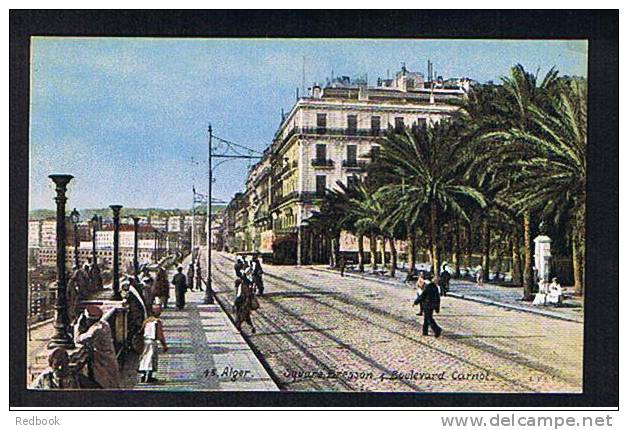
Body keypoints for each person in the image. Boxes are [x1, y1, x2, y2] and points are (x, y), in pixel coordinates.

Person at [74, 305, 121, 388]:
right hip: (108, 358)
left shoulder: (95, 330)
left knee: (104, 385)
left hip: (102, 362)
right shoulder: (104, 324)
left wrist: (78, 324)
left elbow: (78, 339)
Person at [138, 303, 168, 383]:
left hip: (145, 341)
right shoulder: (157, 322)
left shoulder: (146, 321)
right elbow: (160, 335)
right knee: (151, 358)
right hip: (152, 341)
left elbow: (141, 331)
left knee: (144, 358)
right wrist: (164, 345)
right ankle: (149, 376)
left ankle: (143, 376)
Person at [234, 267, 256, 333]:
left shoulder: (241, 282)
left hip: (240, 301)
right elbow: (247, 293)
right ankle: (239, 327)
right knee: (243, 315)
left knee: (244, 315)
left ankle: (243, 327)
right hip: (242, 301)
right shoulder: (244, 283)